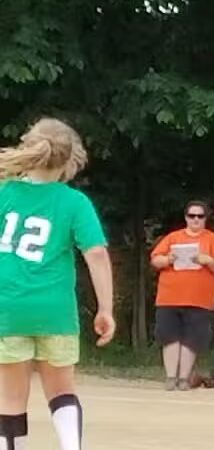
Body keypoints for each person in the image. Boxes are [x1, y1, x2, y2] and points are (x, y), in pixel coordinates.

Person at [0, 118, 115, 450]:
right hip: (55, 312)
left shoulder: (5, 193)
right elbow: (96, 254)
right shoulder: (74, 202)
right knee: (62, 392)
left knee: (10, 399)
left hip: (8, 308)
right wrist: (105, 308)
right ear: (69, 159)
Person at [150, 200, 214, 391]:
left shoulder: (212, 239)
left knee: (192, 339)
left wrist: (207, 260)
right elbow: (155, 260)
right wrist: (168, 259)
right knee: (169, 337)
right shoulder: (173, 237)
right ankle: (171, 377)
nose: (196, 219)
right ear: (186, 218)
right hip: (170, 297)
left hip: (199, 299)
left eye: (200, 216)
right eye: (192, 216)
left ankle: (184, 378)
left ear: (205, 219)